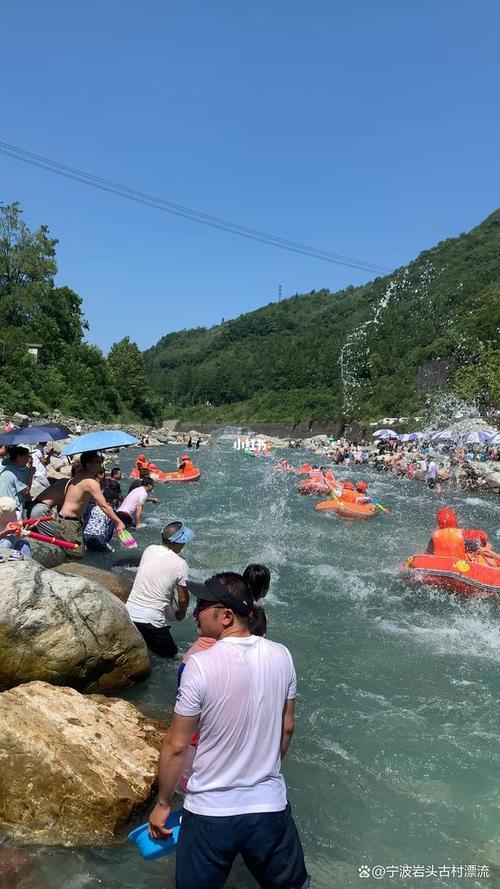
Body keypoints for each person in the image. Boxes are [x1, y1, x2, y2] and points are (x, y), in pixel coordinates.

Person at [148, 572, 309, 889]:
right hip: (270, 809)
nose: (195, 612)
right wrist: (264, 769)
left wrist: (163, 803)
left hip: (211, 812)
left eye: (203, 606)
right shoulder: (282, 655)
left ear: (224, 617)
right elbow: (287, 727)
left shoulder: (199, 665)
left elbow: (177, 745)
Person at [125, 521, 194, 658]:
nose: (184, 544)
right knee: (174, 657)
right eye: (183, 541)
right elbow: (183, 598)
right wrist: (181, 614)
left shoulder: (149, 549)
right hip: (152, 621)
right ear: (176, 542)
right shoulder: (181, 564)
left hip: (128, 613)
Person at [56, 451, 125, 556]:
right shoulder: (91, 482)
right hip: (70, 522)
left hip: (66, 519)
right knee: (76, 555)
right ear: (88, 465)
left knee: (73, 553)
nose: (100, 464)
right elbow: (104, 506)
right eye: (97, 462)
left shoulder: (79, 477)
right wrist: (118, 522)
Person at [0, 447, 34, 517]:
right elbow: (26, 491)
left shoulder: (7, 468)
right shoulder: (15, 473)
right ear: (19, 457)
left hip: (3, 507)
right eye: (26, 457)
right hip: (12, 510)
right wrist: (31, 474)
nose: (27, 460)